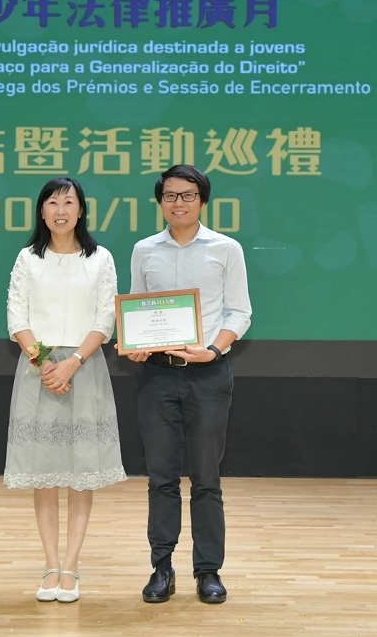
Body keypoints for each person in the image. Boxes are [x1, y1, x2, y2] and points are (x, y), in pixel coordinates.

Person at [127, 164, 252, 604]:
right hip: (156, 376)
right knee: (160, 477)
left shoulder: (226, 249)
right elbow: (137, 308)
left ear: (202, 200)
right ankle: (161, 567)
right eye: (170, 195)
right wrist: (135, 344)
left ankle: (208, 570)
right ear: (160, 201)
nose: (178, 203)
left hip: (208, 374)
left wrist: (214, 350)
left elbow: (240, 312)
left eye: (188, 195)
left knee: (206, 478)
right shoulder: (144, 250)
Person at [4, 177, 127, 603]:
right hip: (37, 370)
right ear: (41, 211)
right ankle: (50, 565)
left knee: (80, 474)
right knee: (44, 475)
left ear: (81, 211)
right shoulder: (28, 258)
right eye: (52, 203)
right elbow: (16, 316)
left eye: (68, 203)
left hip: (84, 368)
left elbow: (105, 319)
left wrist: (73, 362)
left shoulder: (100, 258)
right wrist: (44, 363)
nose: (60, 211)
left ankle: (71, 566)